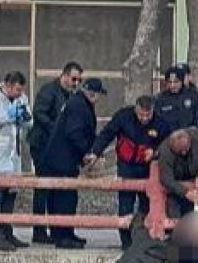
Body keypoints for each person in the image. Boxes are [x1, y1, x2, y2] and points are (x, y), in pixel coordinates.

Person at [88, 95, 172, 249]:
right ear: (136, 109)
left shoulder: (160, 122)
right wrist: (95, 152)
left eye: (148, 115)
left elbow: (167, 142)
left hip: (148, 168)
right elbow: (107, 133)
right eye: (141, 115)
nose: (144, 118)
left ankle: (145, 240)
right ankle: (126, 242)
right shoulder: (123, 116)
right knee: (125, 205)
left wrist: (155, 152)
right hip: (127, 166)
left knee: (147, 206)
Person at [43, 76, 104, 250]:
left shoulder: (76, 102)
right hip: (64, 159)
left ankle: (63, 232)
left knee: (59, 197)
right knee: (66, 198)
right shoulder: (79, 106)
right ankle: (63, 235)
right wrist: (86, 152)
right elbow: (74, 133)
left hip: (59, 158)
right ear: (93, 94)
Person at [0, 70, 32, 251]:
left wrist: (24, 118)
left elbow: (29, 122)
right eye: (17, 90)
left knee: (10, 196)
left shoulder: (22, 98)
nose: (19, 94)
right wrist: (7, 116)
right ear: (7, 85)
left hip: (13, 155)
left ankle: (8, 232)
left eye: (21, 90)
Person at [30, 62, 81, 245]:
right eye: (74, 79)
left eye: (79, 80)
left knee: (55, 188)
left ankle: (56, 229)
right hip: (42, 145)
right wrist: (57, 130)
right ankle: (39, 230)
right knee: (43, 187)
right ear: (65, 75)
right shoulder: (49, 91)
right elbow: (39, 114)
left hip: (56, 148)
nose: (76, 83)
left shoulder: (70, 95)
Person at [156, 127, 198, 218]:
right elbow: (166, 178)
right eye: (179, 151)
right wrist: (185, 192)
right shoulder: (164, 151)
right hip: (176, 188)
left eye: (185, 149)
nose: (183, 153)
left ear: (189, 140)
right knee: (173, 216)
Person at [155, 64, 198, 131]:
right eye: (169, 82)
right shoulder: (160, 99)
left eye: (176, 82)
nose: (172, 85)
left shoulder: (196, 96)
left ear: (182, 81)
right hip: (168, 137)